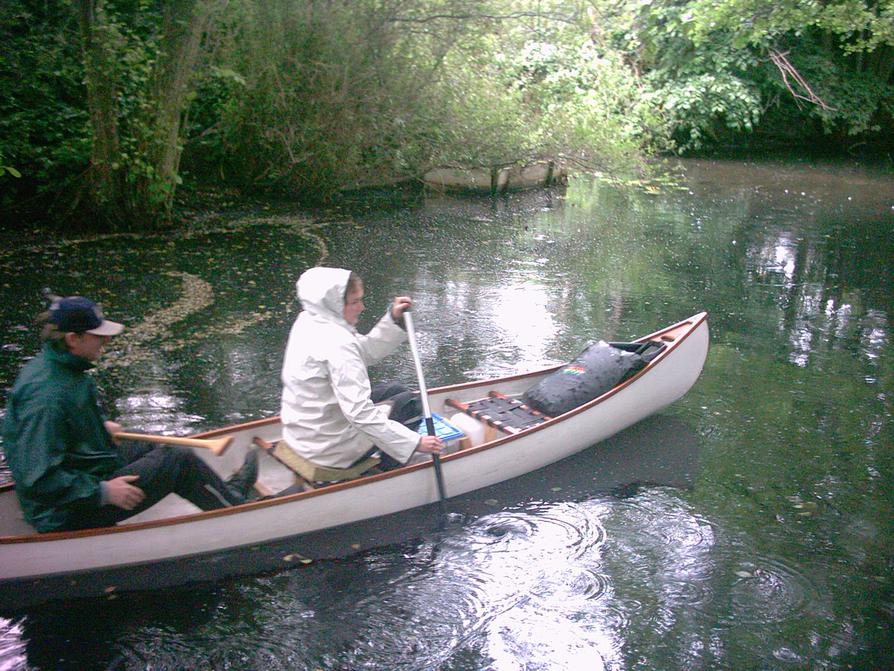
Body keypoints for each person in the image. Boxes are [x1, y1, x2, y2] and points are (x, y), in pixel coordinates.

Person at [1, 295, 258, 533]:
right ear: (73, 338)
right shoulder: (46, 399)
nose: (106, 340)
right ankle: (234, 510)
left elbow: (61, 429)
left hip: (84, 473)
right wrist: (103, 492)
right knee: (176, 457)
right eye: (97, 335)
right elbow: (37, 479)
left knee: (143, 441)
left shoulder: (57, 367)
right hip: (65, 512)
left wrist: (97, 427)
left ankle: (225, 493)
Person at [280, 267, 442, 472]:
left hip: (307, 434)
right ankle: (384, 470)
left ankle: (387, 452)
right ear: (335, 304)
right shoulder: (338, 343)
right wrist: (415, 442)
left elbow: (364, 351)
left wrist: (393, 319)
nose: (362, 307)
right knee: (410, 404)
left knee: (395, 391)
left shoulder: (310, 320)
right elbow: (359, 413)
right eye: (355, 302)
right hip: (329, 447)